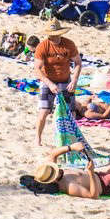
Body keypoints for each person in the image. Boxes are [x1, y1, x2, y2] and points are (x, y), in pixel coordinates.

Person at [32, 19, 80, 147]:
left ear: (60, 34)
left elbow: (78, 63)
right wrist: (49, 84)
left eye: (54, 35)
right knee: (44, 111)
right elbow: (37, 68)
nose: (52, 37)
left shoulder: (68, 44)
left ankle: (71, 138)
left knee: (71, 112)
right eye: (50, 35)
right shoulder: (43, 46)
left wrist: (74, 80)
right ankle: (38, 138)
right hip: (48, 80)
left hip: (65, 80)